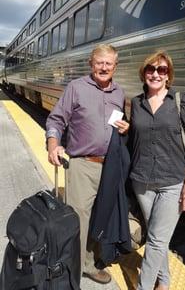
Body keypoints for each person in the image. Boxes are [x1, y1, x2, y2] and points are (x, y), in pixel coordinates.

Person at [46, 44, 129, 284]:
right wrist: (53, 145)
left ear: (115, 66)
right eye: (99, 63)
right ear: (91, 64)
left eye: (108, 63)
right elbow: (56, 119)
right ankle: (70, 271)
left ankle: (89, 264)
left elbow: (118, 127)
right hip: (82, 164)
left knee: (99, 217)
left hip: (110, 166)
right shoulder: (76, 87)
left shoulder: (119, 93)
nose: (104, 67)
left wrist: (126, 129)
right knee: (78, 219)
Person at [128, 50, 185, 290]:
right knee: (155, 238)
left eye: (162, 70)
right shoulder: (136, 103)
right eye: (151, 69)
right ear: (144, 73)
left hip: (172, 181)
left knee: (157, 241)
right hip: (142, 181)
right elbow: (134, 139)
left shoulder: (179, 101)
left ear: (168, 75)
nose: (156, 74)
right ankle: (165, 283)